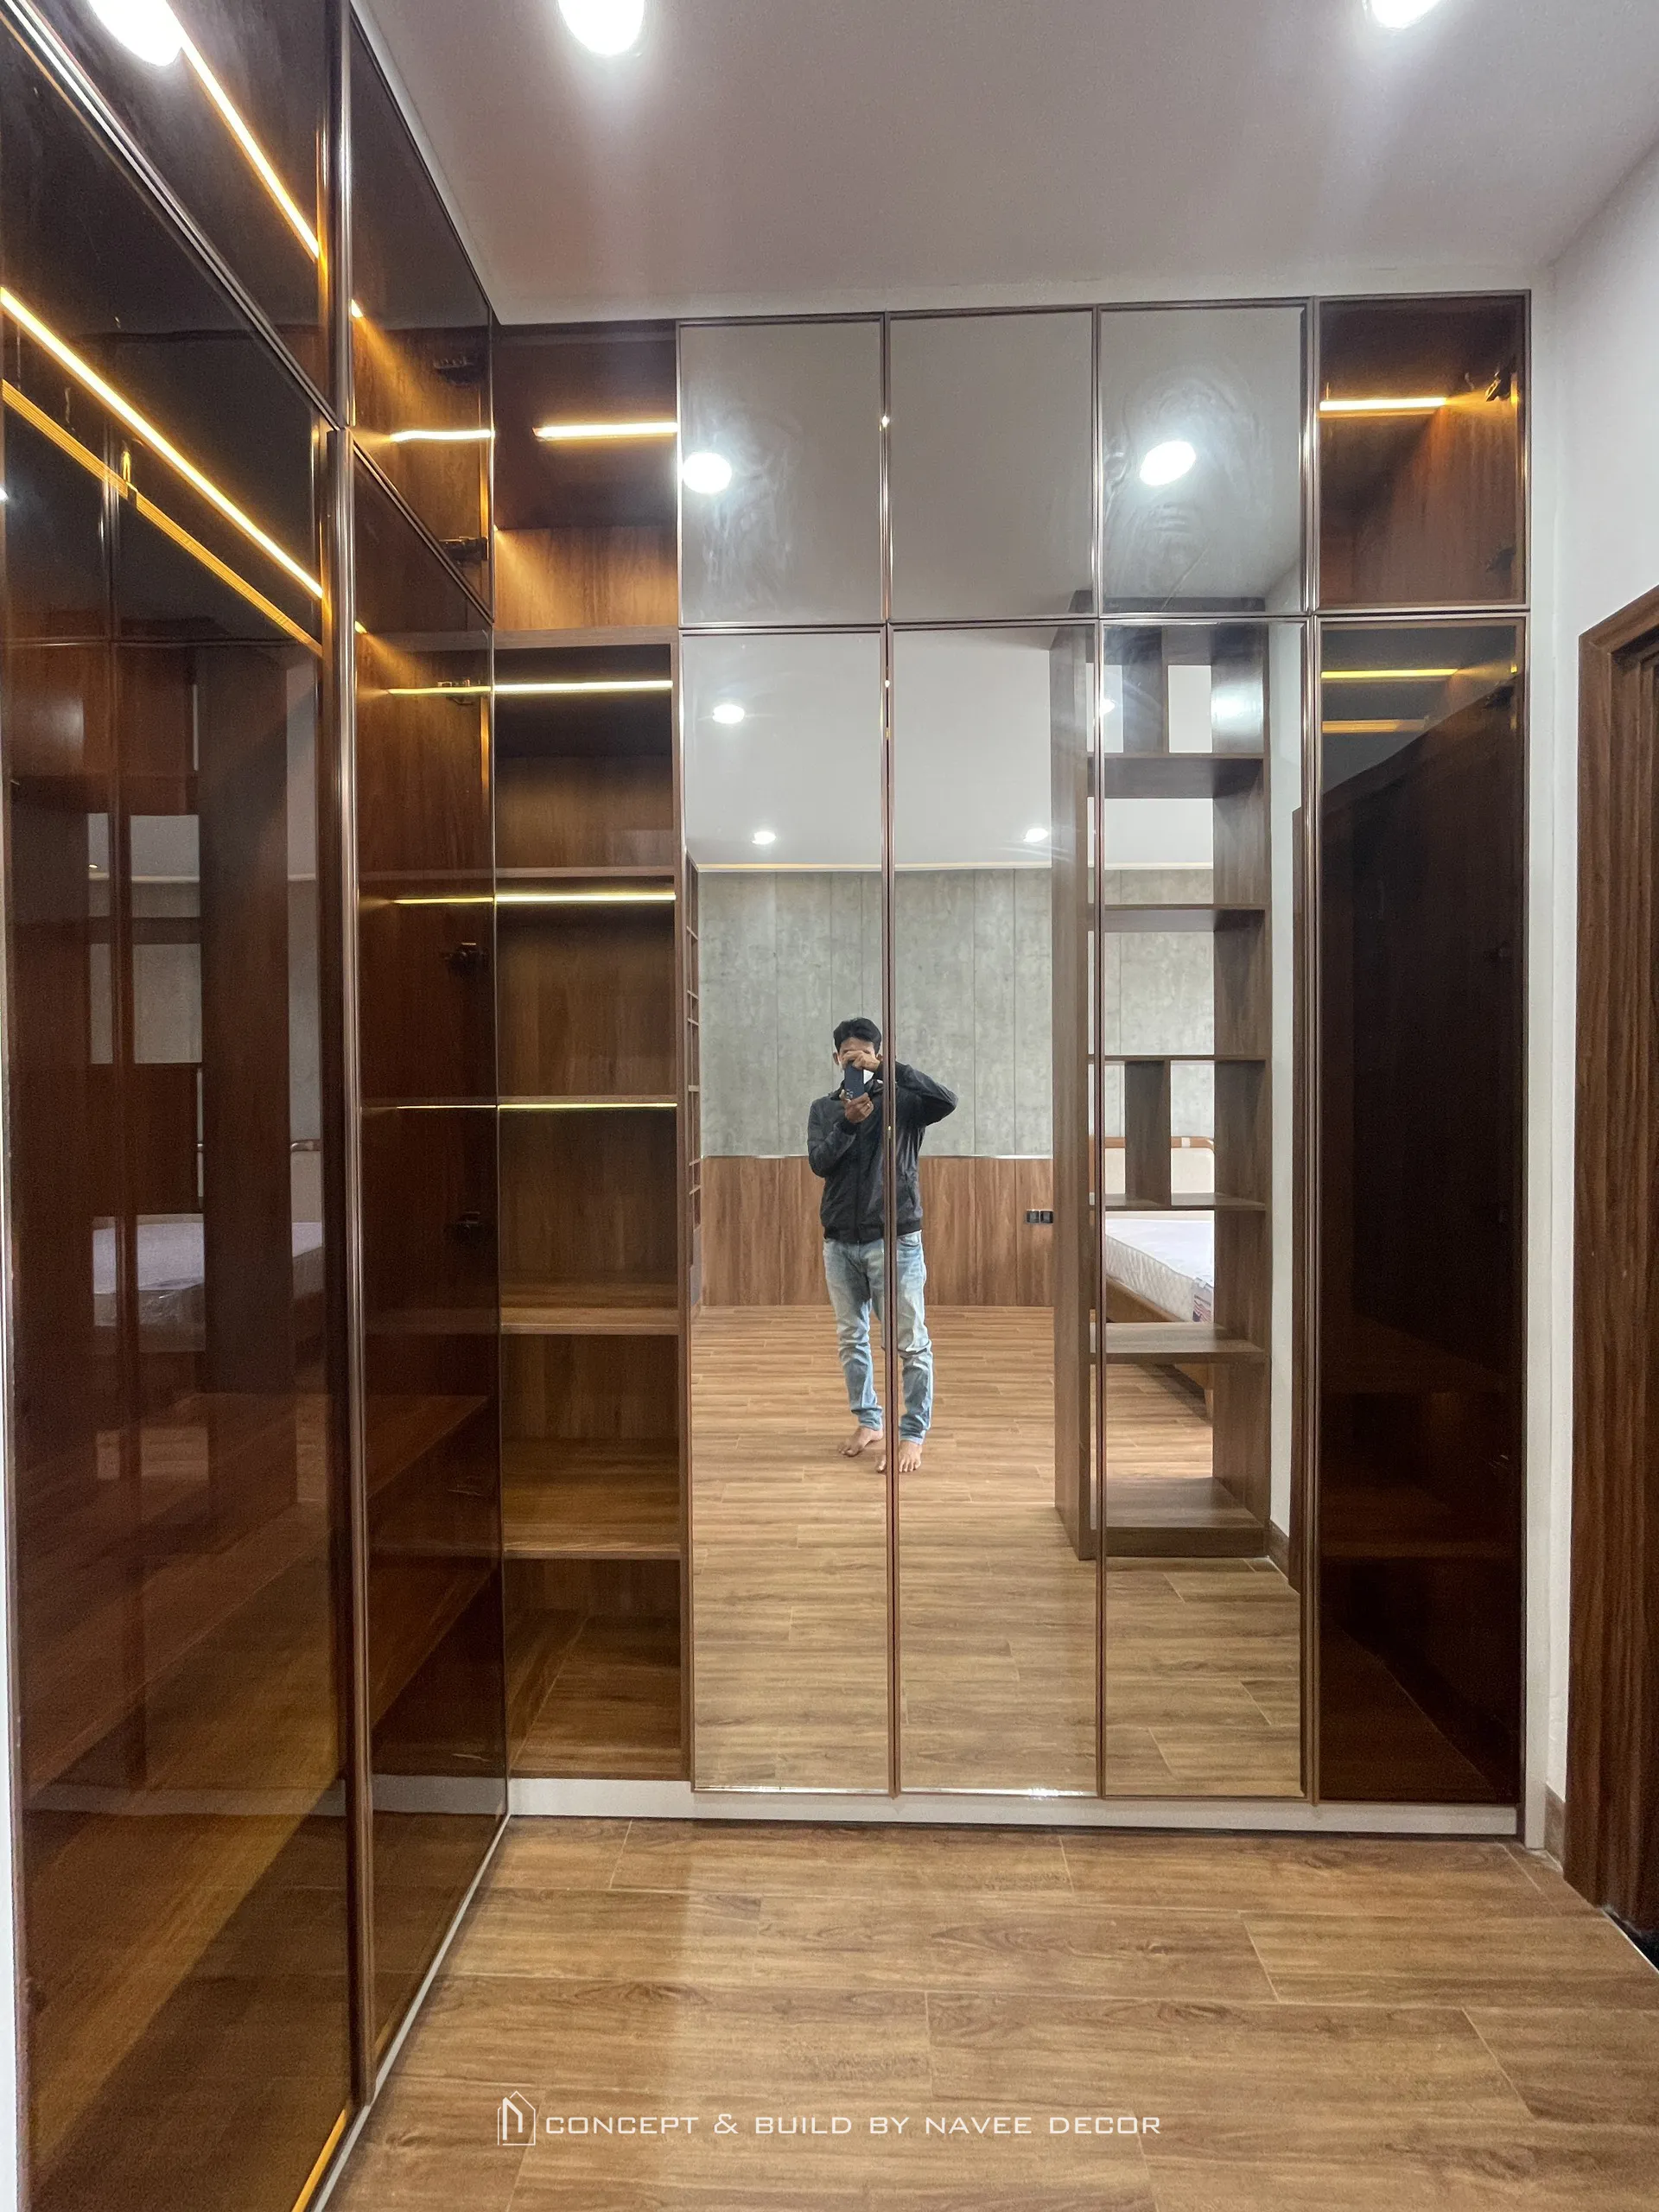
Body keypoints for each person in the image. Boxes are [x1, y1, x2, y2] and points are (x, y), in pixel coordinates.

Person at [806, 1016, 956, 1475]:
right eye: (848, 1056)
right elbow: (819, 1163)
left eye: (864, 1055)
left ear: (877, 1055)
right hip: (840, 1242)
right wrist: (848, 1125)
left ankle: (912, 1433)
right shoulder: (824, 1108)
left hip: (896, 1240)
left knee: (909, 1342)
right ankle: (869, 1421)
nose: (855, 1062)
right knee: (851, 1338)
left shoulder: (904, 1101)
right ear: (836, 1058)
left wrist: (889, 1070)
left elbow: (947, 1100)